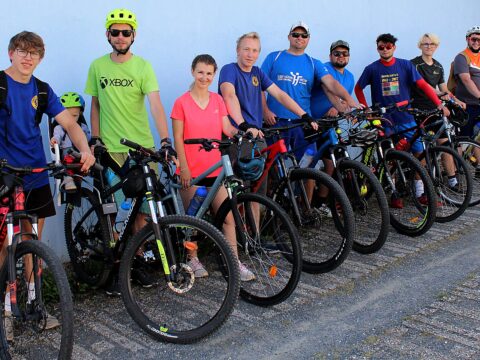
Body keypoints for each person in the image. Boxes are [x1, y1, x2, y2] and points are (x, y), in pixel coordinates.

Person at [0, 31, 95, 341]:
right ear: (11, 53)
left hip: (36, 172)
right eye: (23, 51)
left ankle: (33, 301)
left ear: (40, 58)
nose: (28, 58)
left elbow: (68, 123)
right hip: (4, 174)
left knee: (32, 240)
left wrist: (85, 149)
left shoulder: (42, 89)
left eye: (35, 53)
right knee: (3, 244)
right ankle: (4, 309)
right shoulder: (0, 84)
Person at [84, 8, 171, 295]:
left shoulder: (143, 66)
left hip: (142, 148)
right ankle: (119, 268)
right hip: (111, 149)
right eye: (115, 32)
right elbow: (95, 104)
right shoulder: (97, 66)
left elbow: (156, 105)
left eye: (125, 32)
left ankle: (137, 261)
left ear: (133, 35)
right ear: (107, 35)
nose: (120, 37)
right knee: (117, 212)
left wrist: (165, 140)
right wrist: (95, 137)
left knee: (143, 212)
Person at [172, 54, 255, 281]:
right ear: (192, 72)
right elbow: (177, 138)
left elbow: (226, 128)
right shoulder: (181, 102)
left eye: (209, 73)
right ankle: (192, 259)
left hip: (216, 171)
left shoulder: (217, 100)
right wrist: (185, 168)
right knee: (194, 220)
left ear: (213, 74)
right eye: (200, 72)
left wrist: (241, 133)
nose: (205, 77)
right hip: (193, 171)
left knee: (227, 217)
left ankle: (234, 262)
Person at [355, 33, 450, 206]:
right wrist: (366, 109)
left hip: (406, 118)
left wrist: (439, 104)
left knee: (419, 153)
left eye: (388, 46)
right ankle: (394, 193)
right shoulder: (372, 69)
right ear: (377, 49)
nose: (384, 50)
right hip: (385, 121)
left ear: (394, 47)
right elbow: (358, 88)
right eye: (381, 47)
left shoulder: (405, 65)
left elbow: (423, 85)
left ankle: (421, 192)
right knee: (390, 157)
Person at [261, 23, 358, 159]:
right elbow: (259, 86)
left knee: (308, 166)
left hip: (303, 122)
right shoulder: (274, 57)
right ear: (289, 37)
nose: (299, 37)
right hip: (276, 121)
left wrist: (350, 100)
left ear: (308, 39)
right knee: (273, 168)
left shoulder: (314, 63)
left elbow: (331, 83)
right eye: (296, 34)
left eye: (304, 35)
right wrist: (265, 110)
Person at [411, 33, 465, 110]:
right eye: (425, 44)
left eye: (432, 44)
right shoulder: (413, 64)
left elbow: (444, 90)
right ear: (420, 46)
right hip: (416, 107)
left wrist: (457, 101)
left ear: (436, 46)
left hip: (434, 106)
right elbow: (423, 84)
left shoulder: (438, 66)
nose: (429, 47)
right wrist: (439, 93)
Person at [50, 92, 91, 192]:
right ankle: (68, 178)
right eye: (67, 116)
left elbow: (88, 139)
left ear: (80, 114)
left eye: (74, 116)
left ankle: (79, 175)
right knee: (68, 153)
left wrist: (91, 144)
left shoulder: (83, 127)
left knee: (86, 154)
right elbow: (57, 136)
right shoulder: (59, 128)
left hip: (79, 151)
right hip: (67, 152)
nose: (70, 120)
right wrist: (55, 140)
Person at [453, 26, 480, 138]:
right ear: (467, 39)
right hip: (467, 105)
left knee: (477, 138)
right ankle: (460, 156)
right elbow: (466, 79)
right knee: (464, 138)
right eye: (474, 39)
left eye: (479, 40)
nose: (476, 42)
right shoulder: (461, 57)